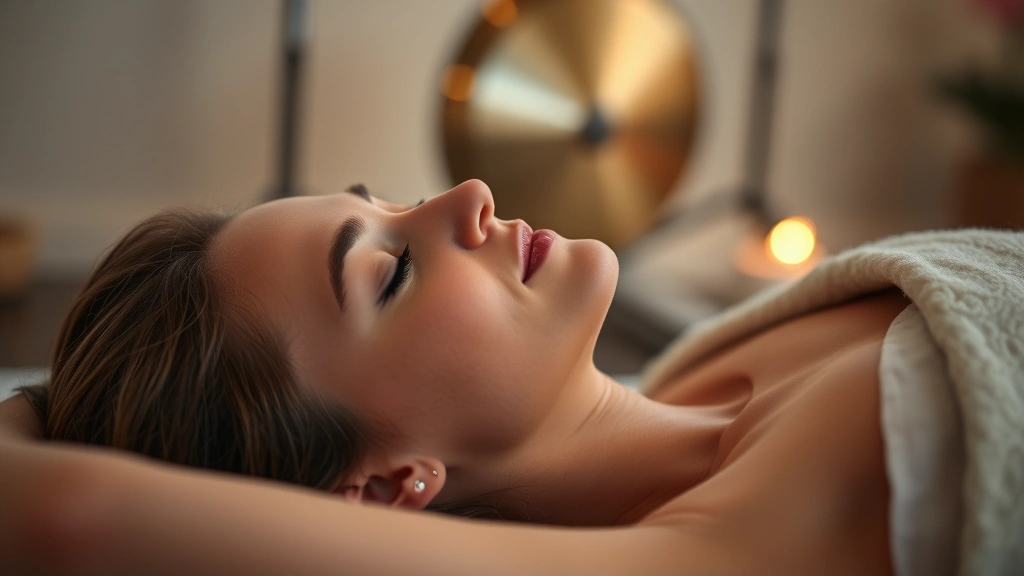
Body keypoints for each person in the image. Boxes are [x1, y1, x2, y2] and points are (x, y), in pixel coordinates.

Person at [0, 179, 970, 574]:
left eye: (389, 201)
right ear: (386, 487)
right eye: (392, 272)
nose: (465, 197)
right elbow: (65, 515)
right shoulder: (727, 545)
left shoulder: (698, 369)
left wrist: (43, 402)